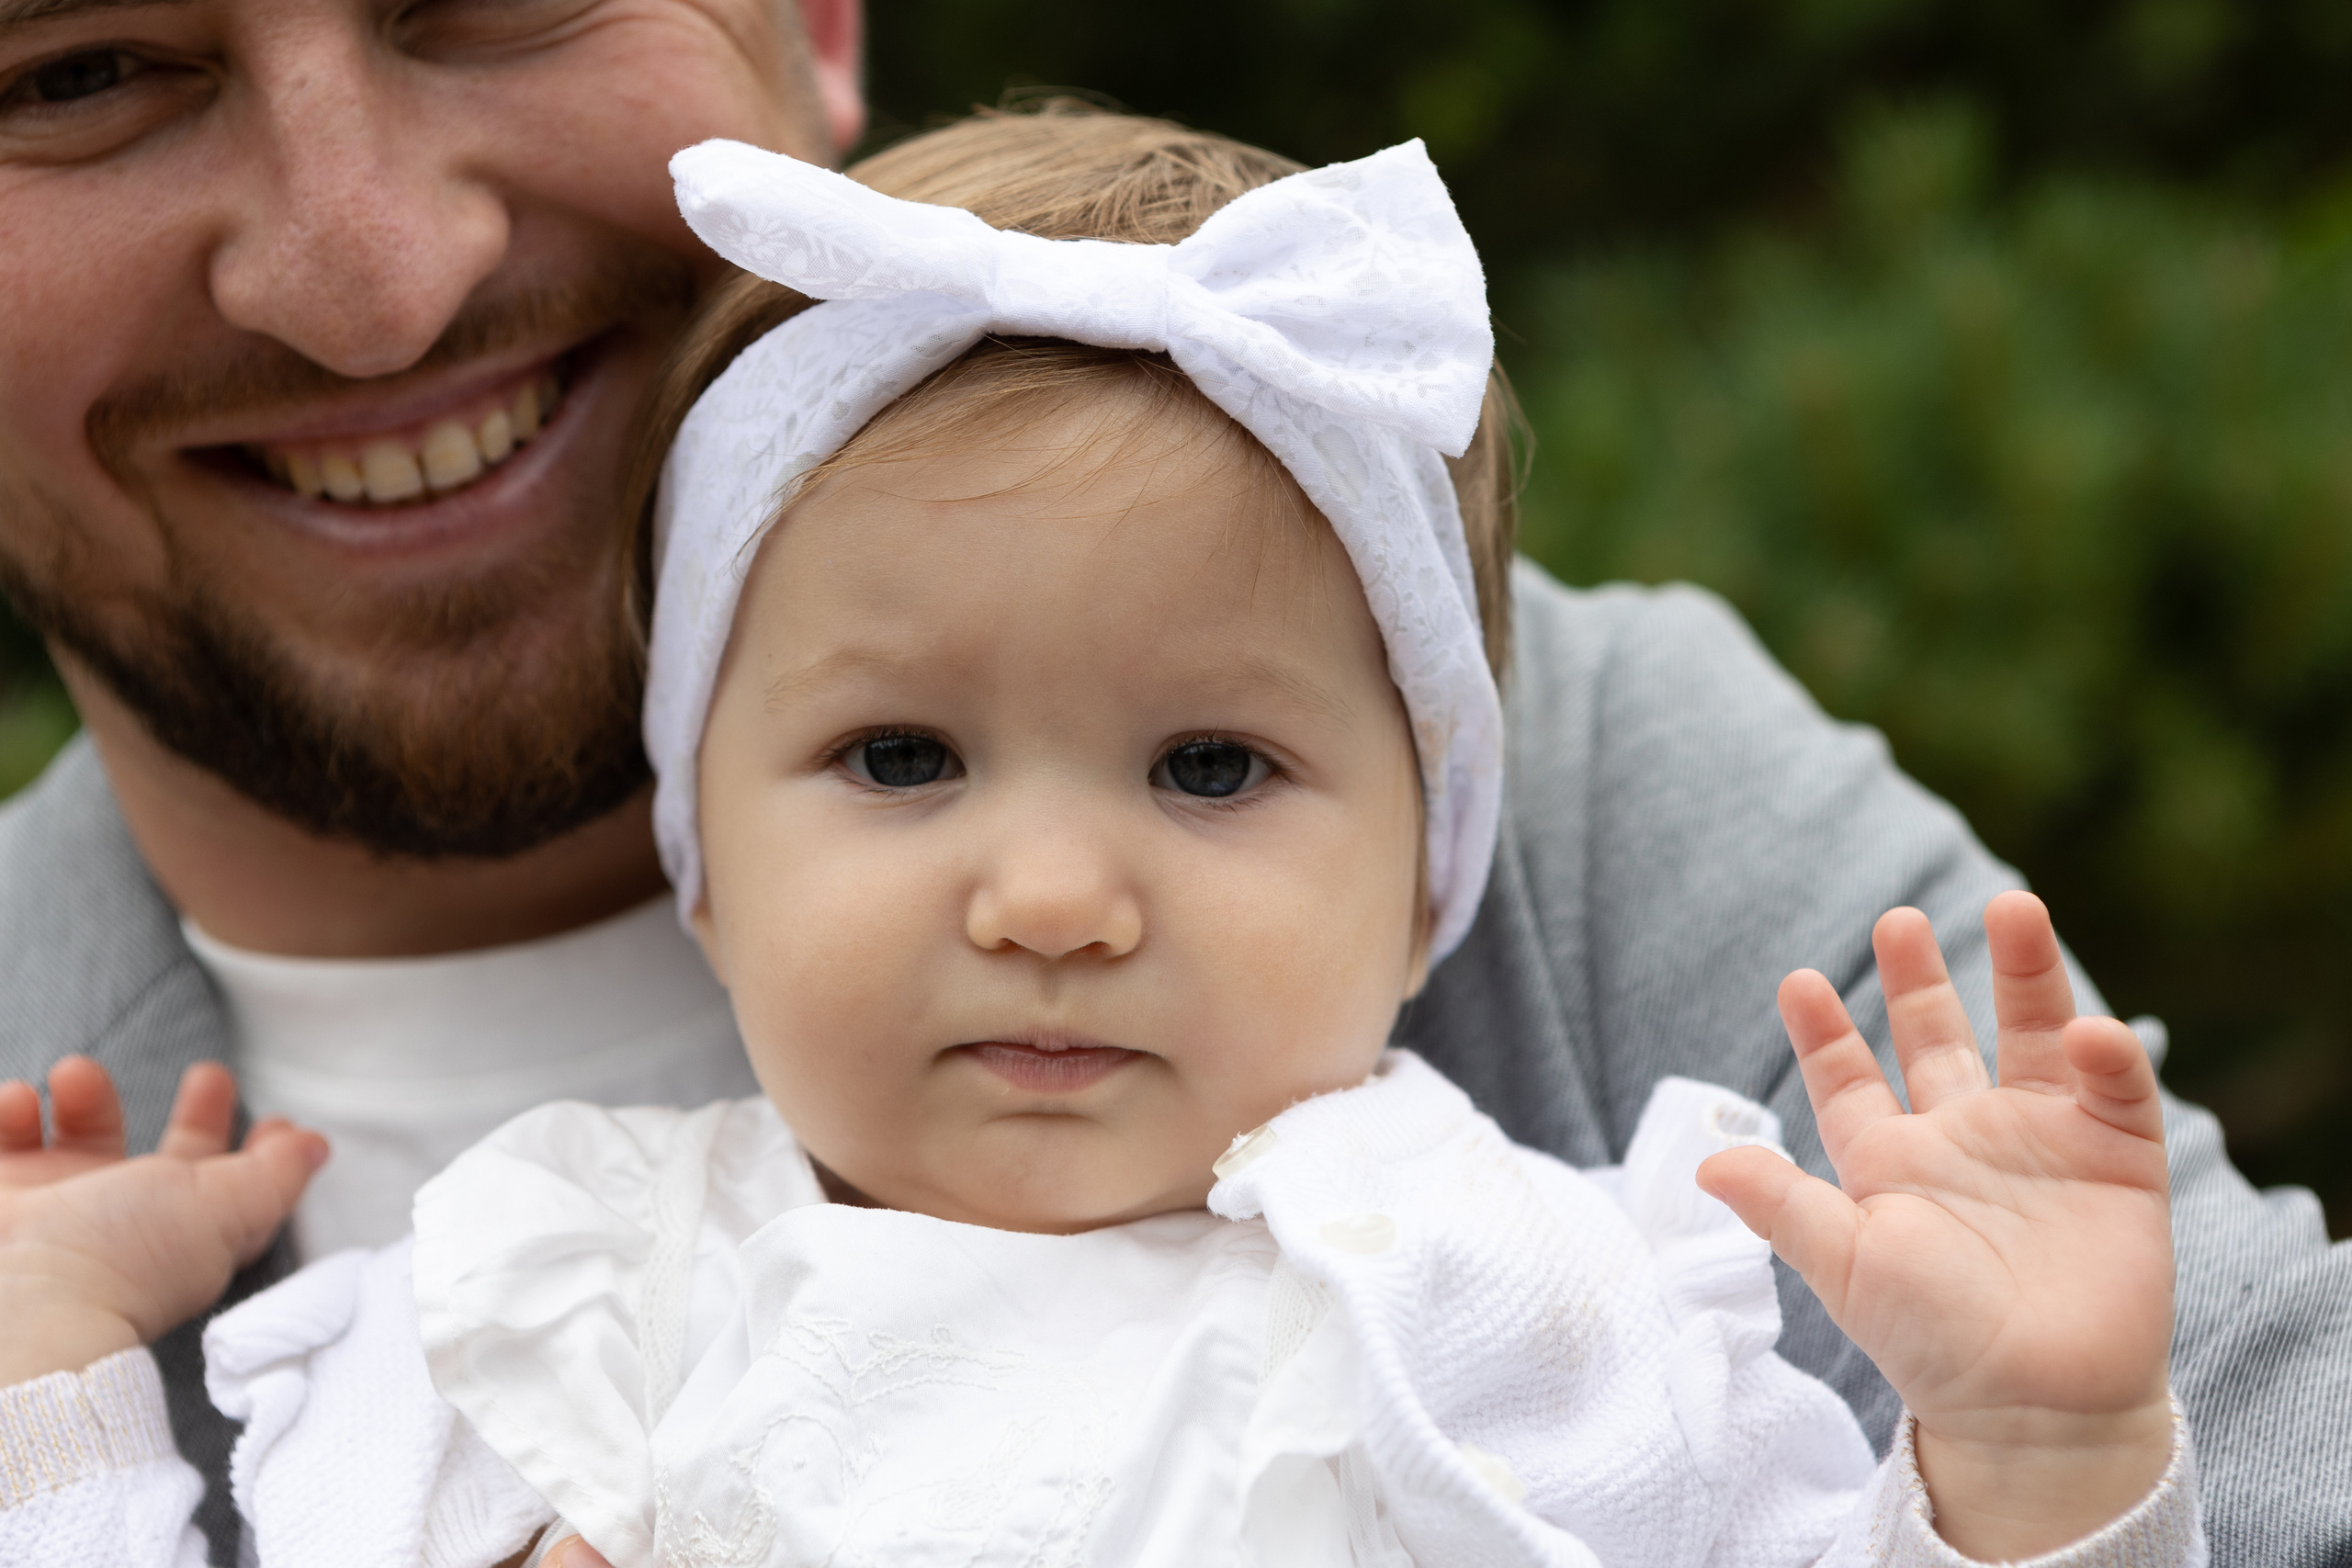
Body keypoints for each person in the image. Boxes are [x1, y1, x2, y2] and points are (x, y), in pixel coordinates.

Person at [0, 29, 2341, 1567]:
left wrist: (2035, 1469)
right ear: (693, 827)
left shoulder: (1521, 1286)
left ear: (1433, 857)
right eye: (84, 66)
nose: (1044, 892)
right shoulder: (571, 1286)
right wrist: (49, 1406)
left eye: (1213, 765)